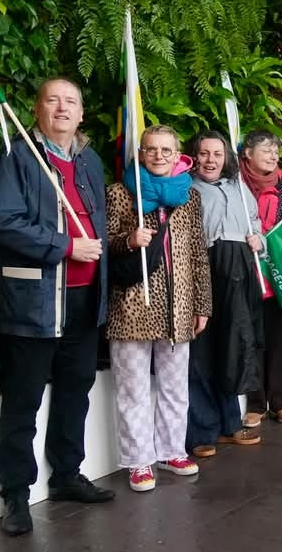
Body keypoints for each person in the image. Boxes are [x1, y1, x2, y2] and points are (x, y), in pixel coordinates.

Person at [0, 78, 114, 536]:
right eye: (52, 100)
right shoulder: (14, 155)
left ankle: (66, 476)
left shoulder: (90, 160)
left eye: (71, 101)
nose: (62, 108)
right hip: (32, 305)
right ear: (36, 109)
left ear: (81, 114)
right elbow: (2, 223)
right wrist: (64, 246)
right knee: (23, 401)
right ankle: (16, 495)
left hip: (83, 302)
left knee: (75, 392)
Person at [107, 124, 212, 491]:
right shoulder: (121, 193)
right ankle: (138, 461)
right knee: (133, 390)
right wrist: (127, 240)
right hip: (133, 306)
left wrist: (202, 305)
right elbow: (103, 247)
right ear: (140, 153)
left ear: (178, 154)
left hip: (178, 308)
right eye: (151, 150)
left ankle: (170, 451)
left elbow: (198, 254)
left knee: (175, 386)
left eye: (166, 150)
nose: (158, 156)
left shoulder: (189, 196)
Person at [185, 131, 264, 459]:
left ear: (226, 158)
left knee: (231, 348)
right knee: (200, 352)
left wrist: (260, 240)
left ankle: (230, 424)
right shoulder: (186, 189)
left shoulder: (240, 188)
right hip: (205, 272)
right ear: (194, 156)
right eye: (204, 153)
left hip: (238, 275)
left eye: (217, 154)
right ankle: (203, 431)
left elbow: (257, 225)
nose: (210, 160)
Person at [241, 129, 282, 426]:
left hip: (277, 275)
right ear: (247, 154)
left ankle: (279, 401)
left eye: (275, 151)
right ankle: (255, 403)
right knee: (251, 341)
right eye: (266, 150)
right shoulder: (235, 185)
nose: (273, 155)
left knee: (276, 340)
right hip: (244, 275)